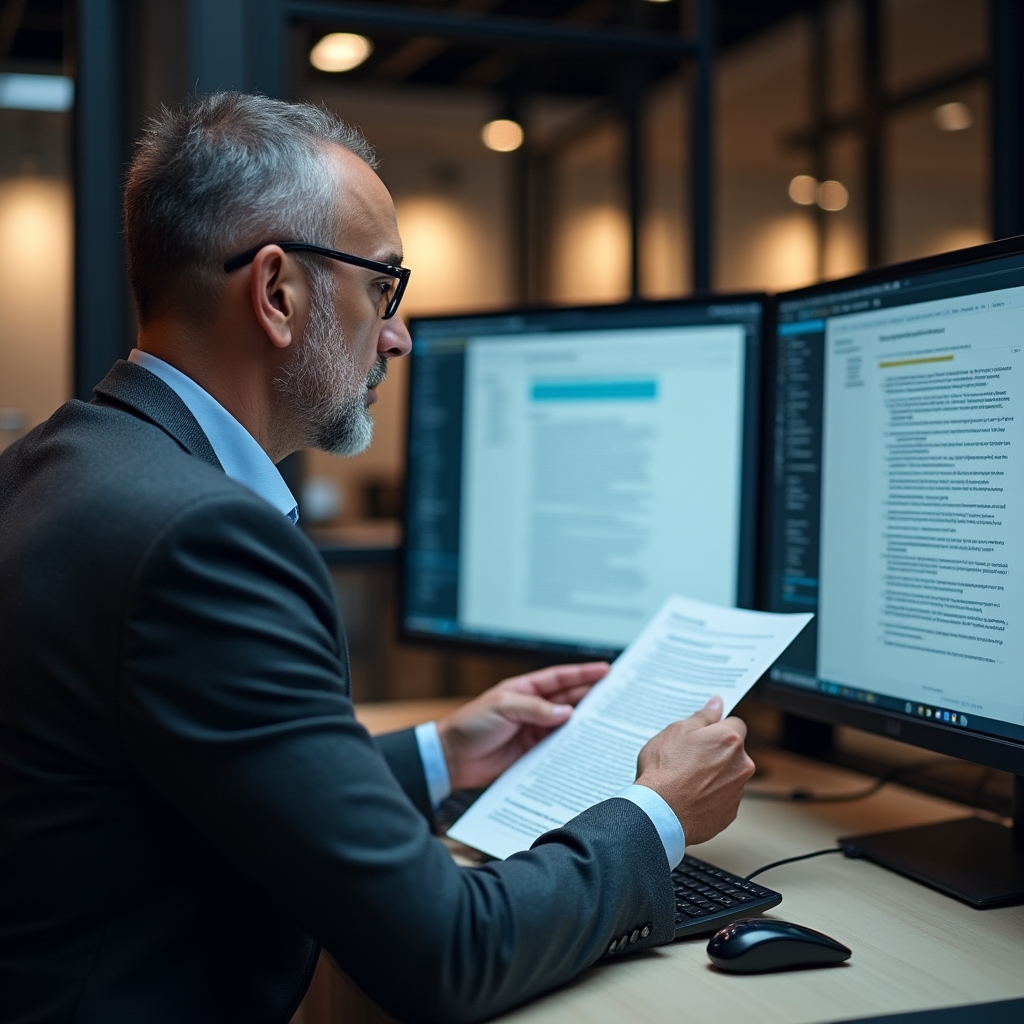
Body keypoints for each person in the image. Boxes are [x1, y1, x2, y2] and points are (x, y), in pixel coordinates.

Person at [0, 93, 755, 1024]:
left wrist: (441, 753)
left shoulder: (56, 467)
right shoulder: (201, 539)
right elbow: (448, 952)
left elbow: (190, 787)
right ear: (277, 293)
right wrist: (660, 813)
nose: (397, 333)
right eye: (383, 286)